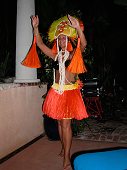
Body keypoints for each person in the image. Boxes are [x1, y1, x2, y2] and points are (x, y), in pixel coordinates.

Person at [29, 14, 89, 170]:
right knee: (60, 124)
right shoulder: (55, 56)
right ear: (57, 41)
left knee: (66, 125)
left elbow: (83, 43)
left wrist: (77, 28)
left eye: (64, 38)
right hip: (56, 93)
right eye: (60, 39)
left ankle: (67, 157)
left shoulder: (74, 54)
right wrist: (35, 28)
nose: (62, 40)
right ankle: (64, 147)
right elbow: (40, 44)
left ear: (69, 40)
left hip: (70, 93)